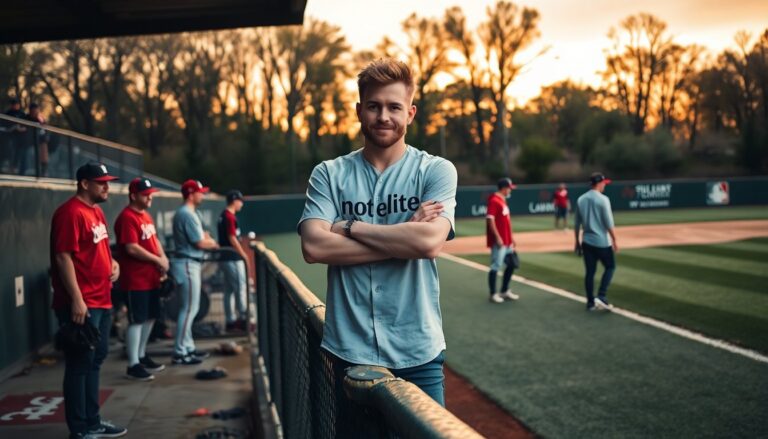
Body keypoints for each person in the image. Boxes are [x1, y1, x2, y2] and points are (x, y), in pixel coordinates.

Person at [298, 58, 457, 407]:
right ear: (359, 110)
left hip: (418, 352)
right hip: (352, 353)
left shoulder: (436, 170)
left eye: (394, 107)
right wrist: (405, 239)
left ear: (410, 113)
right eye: (374, 106)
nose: (383, 116)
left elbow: (429, 243)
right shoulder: (329, 174)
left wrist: (351, 227)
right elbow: (313, 247)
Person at [50, 161, 127, 438]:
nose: (107, 186)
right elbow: (62, 257)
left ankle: (93, 421)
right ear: (84, 183)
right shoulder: (70, 212)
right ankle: (79, 429)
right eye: (101, 182)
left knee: (96, 359)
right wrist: (77, 300)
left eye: (108, 181)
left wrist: (113, 263)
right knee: (80, 363)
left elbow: (101, 248)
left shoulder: (96, 212)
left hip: (102, 298)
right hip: (83, 303)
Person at [114, 178, 169, 381]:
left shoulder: (145, 215)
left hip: (150, 277)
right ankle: (132, 364)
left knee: (150, 317)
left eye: (150, 193)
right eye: (145, 194)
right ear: (133, 195)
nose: (150, 197)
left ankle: (141, 355)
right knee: (136, 320)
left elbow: (154, 240)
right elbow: (131, 247)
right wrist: (157, 259)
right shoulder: (127, 217)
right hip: (134, 278)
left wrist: (162, 259)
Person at [171, 179, 218, 365]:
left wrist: (206, 239)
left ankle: (187, 348)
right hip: (187, 263)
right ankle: (180, 351)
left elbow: (202, 237)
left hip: (189, 263)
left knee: (190, 309)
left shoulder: (188, 213)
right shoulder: (186, 214)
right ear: (191, 194)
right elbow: (200, 242)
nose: (203, 194)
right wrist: (212, 243)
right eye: (200, 192)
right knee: (189, 309)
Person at [574, 172, 618, 311]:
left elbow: (576, 224)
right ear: (599, 183)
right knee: (610, 267)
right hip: (602, 242)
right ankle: (602, 295)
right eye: (604, 183)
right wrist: (615, 240)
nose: (605, 185)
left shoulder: (581, 199)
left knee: (590, 273)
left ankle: (590, 303)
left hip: (586, 241)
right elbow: (608, 222)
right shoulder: (603, 199)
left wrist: (576, 241)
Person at [217, 190, 249, 332]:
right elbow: (232, 238)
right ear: (234, 200)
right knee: (239, 288)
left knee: (229, 290)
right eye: (240, 201)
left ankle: (230, 321)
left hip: (226, 258)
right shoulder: (229, 216)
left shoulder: (224, 215)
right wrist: (244, 255)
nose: (241, 204)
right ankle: (243, 320)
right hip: (231, 258)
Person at [486, 178, 520, 303]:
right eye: (510, 188)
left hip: (507, 241)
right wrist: (498, 237)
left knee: (511, 264)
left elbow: (506, 222)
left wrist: (511, 238)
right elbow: (490, 219)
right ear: (504, 188)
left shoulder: (502, 200)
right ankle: (493, 294)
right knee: (496, 266)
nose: (511, 190)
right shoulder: (494, 200)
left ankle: (504, 290)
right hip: (500, 242)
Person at [2, 98, 27, 174]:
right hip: (10, 137)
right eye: (13, 104)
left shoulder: (22, 114)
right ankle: (10, 167)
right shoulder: (8, 113)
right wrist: (12, 128)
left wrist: (21, 128)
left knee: (20, 154)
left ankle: (18, 169)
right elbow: (4, 126)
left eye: (16, 104)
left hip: (21, 139)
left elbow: (26, 126)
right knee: (10, 152)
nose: (14, 106)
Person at [26, 103, 50, 176]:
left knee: (44, 146)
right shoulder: (26, 117)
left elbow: (45, 130)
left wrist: (46, 137)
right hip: (27, 139)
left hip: (39, 139)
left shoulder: (40, 118)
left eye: (36, 111)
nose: (35, 113)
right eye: (33, 111)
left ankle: (43, 169)